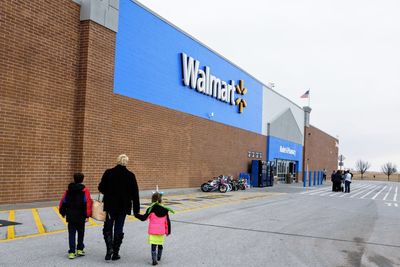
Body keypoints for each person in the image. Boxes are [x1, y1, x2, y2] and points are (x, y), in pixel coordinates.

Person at [98, 154, 140, 261]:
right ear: (126, 162)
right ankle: (116, 253)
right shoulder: (131, 176)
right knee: (119, 228)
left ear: (117, 161)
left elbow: (101, 187)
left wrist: (109, 191)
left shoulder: (109, 173)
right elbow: (135, 194)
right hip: (123, 207)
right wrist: (136, 210)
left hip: (110, 206)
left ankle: (109, 250)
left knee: (108, 228)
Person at [59, 173, 92, 259]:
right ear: (82, 180)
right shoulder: (85, 191)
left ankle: (72, 252)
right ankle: (80, 249)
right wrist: (87, 215)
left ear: (74, 179)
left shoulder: (68, 190)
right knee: (81, 233)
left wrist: (62, 212)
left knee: (71, 233)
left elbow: (63, 202)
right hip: (81, 216)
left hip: (70, 215)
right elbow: (87, 203)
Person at [135, 192, 174, 266]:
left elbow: (144, 218)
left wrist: (137, 215)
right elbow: (167, 222)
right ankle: (159, 257)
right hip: (161, 231)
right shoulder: (165, 210)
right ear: (160, 200)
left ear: (152, 200)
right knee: (160, 244)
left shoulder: (151, 209)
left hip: (153, 231)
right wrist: (168, 231)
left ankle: (154, 260)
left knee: (153, 245)